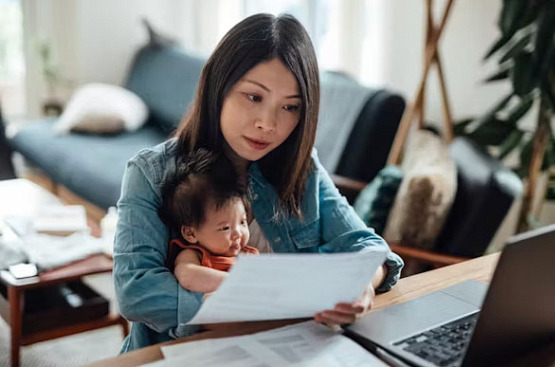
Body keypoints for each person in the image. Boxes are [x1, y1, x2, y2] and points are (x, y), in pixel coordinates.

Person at [114, 13, 404, 353]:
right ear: (218, 87)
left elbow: (368, 248)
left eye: (290, 107)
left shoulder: (301, 166)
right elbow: (136, 291)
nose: (268, 124)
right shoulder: (151, 173)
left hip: (293, 347)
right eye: (254, 97)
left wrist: (363, 286)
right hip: (188, 352)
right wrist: (266, 309)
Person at [160, 148, 259, 294]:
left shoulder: (247, 254)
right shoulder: (194, 255)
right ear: (190, 233)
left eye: (242, 222)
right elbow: (188, 277)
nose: (238, 233)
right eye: (225, 228)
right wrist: (238, 283)